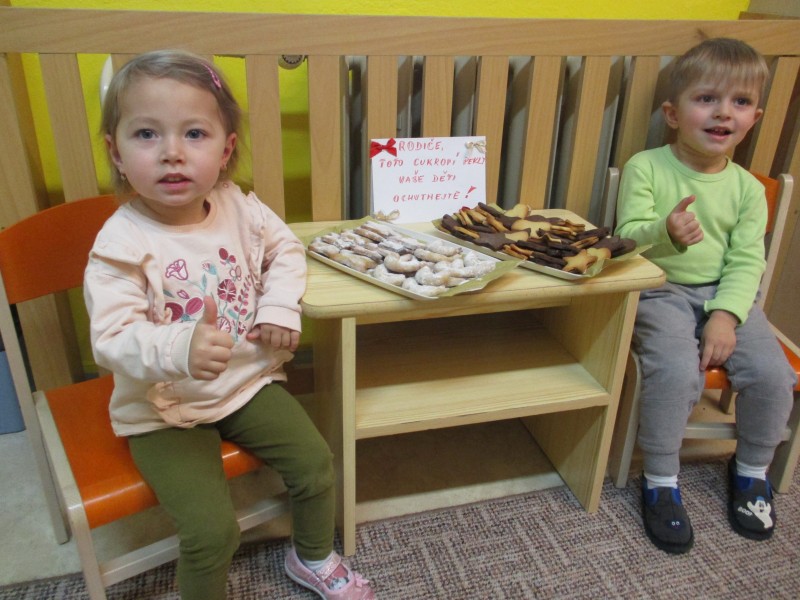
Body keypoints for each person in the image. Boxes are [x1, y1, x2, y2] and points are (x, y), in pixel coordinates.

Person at [85, 50, 375, 599]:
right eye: (146, 134)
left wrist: (278, 306)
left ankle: (312, 556)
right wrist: (179, 347)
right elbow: (112, 338)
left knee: (316, 464)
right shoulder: (120, 244)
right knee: (211, 532)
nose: (172, 153)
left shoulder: (238, 205)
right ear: (116, 153)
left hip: (244, 382)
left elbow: (287, 250)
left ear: (225, 150)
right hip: (162, 409)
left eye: (194, 133)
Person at [615, 38, 796, 555]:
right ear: (673, 114)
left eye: (740, 102)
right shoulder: (647, 166)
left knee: (772, 374)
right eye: (707, 99)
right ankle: (661, 478)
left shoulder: (747, 189)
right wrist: (665, 230)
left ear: (754, 118)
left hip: (729, 296)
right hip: (660, 289)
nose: (723, 113)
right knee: (675, 371)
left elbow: (747, 262)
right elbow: (626, 238)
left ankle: (753, 470)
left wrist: (726, 316)